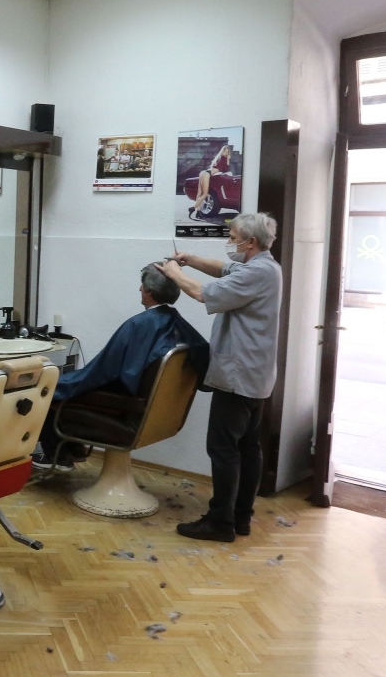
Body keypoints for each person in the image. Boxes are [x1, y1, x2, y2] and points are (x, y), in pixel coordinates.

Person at [159, 213, 283, 543]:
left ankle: (220, 523)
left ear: (250, 242)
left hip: (238, 376)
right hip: (255, 376)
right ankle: (241, 517)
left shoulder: (256, 273)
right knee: (248, 448)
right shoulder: (265, 266)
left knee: (224, 449)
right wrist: (191, 259)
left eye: (233, 237)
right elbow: (223, 269)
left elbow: (203, 294)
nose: (230, 242)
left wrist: (174, 273)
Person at [33, 263, 210, 470]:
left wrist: (59, 382)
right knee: (67, 383)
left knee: (51, 387)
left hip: (127, 403)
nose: (139, 289)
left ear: (149, 291)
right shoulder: (177, 323)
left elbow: (102, 371)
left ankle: (57, 455)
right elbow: (203, 355)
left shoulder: (139, 324)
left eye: (142, 285)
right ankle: (71, 449)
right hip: (152, 409)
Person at [189, 143, 233, 221]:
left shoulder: (218, 158)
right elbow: (226, 170)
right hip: (207, 174)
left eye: (227, 152)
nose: (226, 153)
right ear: (222, 151)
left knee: (200, 194)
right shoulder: (223, 158)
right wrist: (228, 159)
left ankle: (198, 213)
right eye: (225, 151)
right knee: (205, 194)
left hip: (204, 173)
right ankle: (192, 208)